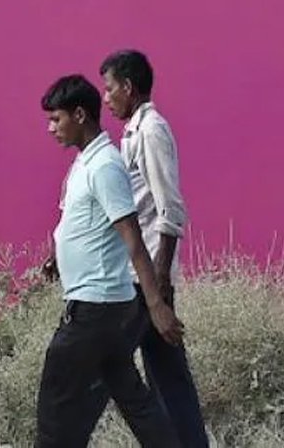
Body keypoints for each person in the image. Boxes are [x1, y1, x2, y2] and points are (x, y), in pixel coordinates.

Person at [36, 73, 182, 448]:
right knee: (136, 404)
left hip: (95, 309)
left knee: (55, 404)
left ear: (79, 115)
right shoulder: (86, 162)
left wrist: (156, 305)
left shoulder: (104, 166)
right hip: (105, 309)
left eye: (56, 119)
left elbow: (133, 239)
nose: (51, 128)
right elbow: (78, 222)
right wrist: (57, 256)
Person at [91, 48, 209, 447]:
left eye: (109, 89)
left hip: (145, 279)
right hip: (137, 274)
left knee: (110, 366)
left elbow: (169, 207)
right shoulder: (132, 133)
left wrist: (158, 278)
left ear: (128, 86)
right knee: (166, 374)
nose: (106, 98)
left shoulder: (151, 131)